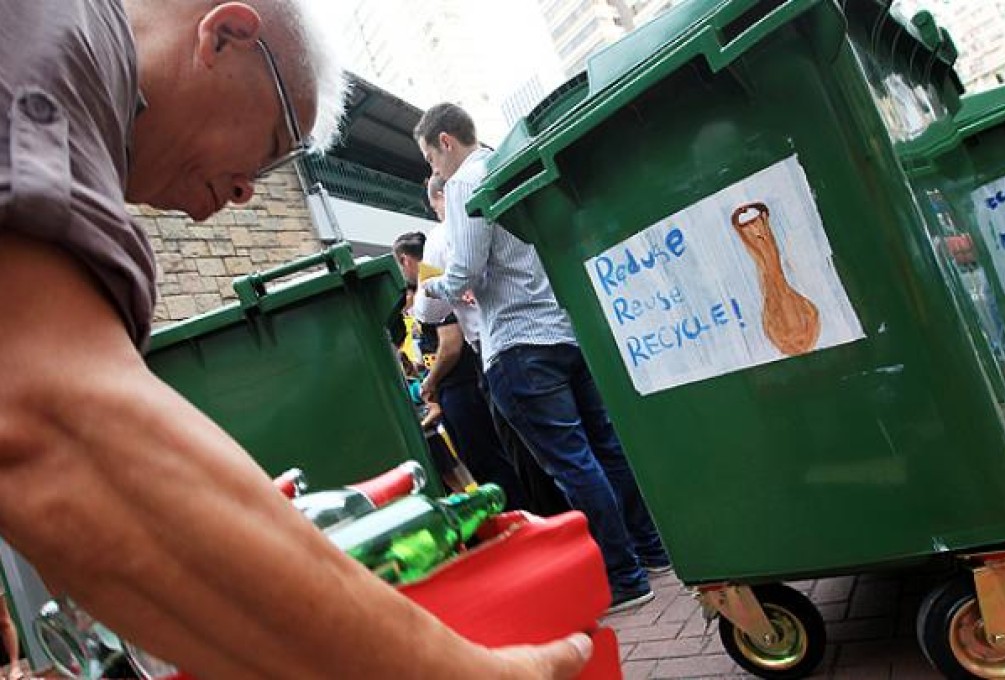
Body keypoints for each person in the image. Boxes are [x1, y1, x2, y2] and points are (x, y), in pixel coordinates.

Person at [0, 2, 591, 678]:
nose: (252, 189)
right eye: (275, 140)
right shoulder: (54, 28)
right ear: (226, 36)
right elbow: (58, 433)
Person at [416, 103, 671, 613]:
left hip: (516, 343)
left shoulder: (466, 181)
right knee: (606, 450)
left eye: (429, 157)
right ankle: (652, 550)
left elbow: (463, 274)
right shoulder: (511, 164)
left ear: (446, 141)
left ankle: (624, 577)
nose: (432, 172)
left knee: (573, 464)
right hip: (564, 331)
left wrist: (425, 294)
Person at [417, 176, 568, 517]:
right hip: (558, 330)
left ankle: (559, 531)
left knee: (532, 456)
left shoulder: (441, 237)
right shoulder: (510, 208)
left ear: (439, 198)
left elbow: (428, 311)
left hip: (500, 348)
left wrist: (431, 288)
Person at [393, 231, 528, 510]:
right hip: (455, 388)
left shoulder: (434, 283)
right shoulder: (429, 286)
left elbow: (451, 344)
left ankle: (517, 514)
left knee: (488, 461)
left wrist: (429, 382)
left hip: (464, 388)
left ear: (405, 260)